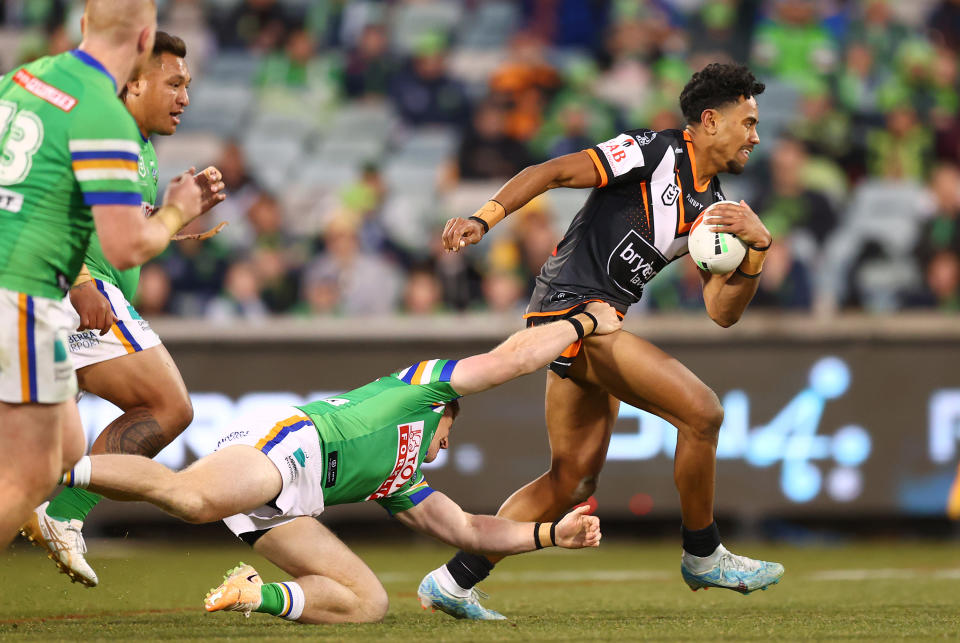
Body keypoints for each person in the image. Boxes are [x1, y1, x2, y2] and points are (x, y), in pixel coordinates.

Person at [429, 62, 784, 619]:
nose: (756, 136)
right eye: (749, 122)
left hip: (602, 320)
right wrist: (484, 218)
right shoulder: (650, 152)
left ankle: (454, 580)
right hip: (569, 309)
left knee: (571, 481)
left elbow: (722, 313)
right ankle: (702, 551)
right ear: (710, 121)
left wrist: (758, 252)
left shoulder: (715, 211)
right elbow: (549, 172)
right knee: (702, 414)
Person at [56, 302, 620, 624]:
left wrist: (552, 533)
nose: (444, 444)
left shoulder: (403, 480)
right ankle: (50, 471)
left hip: (284, 499)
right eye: (450, 431)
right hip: (289, 445)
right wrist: (579, 324)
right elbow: (503, 365)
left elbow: (470, 530)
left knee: (365, 604)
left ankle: (252, 592)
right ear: (445, 414)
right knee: (192, 500)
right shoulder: (421, 388)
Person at [18, 31, 226, 585]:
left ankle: (55, 506)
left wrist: (174, 218)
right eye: (174, 83)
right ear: (134, 82)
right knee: (168, 407)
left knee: (26, 457)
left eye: (188, 85)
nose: (185, 97)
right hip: (76, 291)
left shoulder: (139, 145)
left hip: (71, 293)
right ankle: (64, 512)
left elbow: (113, 223)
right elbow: (52, 198)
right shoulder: (105, 131)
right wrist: (83, 276)